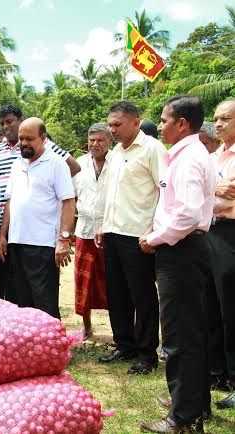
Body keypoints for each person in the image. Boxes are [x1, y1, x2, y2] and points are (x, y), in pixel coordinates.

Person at [139, 95, 215, 434]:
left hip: (181, 251)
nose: (162, 126)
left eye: (165, 120)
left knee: (179, 335)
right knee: (190, 331)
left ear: (182, 123)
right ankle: (194, 403)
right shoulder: (190, 154)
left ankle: (182, 416)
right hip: (185, 249)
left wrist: (154, 238)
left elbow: (186, 215)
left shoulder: (187, 159)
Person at [96, 101, 166, 375]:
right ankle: (124, 344)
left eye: (117, 125)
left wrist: (154, 228)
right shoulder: (115, 152)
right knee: (117, 293)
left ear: (136, 122)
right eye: (110, 125)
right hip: (113, 232)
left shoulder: (152, 149)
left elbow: (164, 191)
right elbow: (111, 195)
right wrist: (104, 225)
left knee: (143, 295)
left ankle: (147, 354)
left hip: (138, 234)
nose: (112, 130)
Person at [0, 105, 80, 300]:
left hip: (43, 244)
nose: (24, 143)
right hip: (15, 242)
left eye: (30, 139)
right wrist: (3, 235)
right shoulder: (17, 163)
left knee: (44, 301)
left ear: (43, 139)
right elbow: (9, 202)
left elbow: (69, 202)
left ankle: (49, 332)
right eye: (21, 139)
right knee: (17, 300)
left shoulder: (56, 163)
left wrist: (63, 239)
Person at [205, 98, 235, 409]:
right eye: (216, 118)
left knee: (231, 308)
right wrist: (215, 188)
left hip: (231, 233)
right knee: (210, 305)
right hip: (210, 232)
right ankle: (217, 372)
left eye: (225, 118)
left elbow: (229, 199)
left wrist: (212, 191)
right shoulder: (213, 158)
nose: (218, 123)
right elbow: (209, 195)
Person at [73, 123, 111, 338]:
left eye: (101, 140)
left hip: (112, 230)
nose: (96, 144)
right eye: (92, 140)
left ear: (109, 142)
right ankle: (87, 327)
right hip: (84, 230)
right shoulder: (79, 164)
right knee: (82, 281)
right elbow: (72, 198)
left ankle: (121, 329)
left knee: (112, 281)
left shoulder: (117, 162)